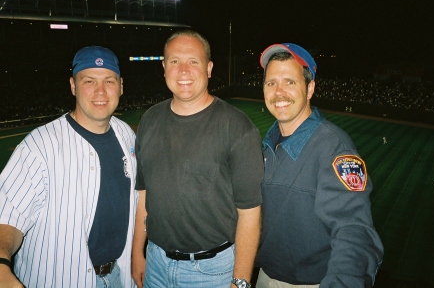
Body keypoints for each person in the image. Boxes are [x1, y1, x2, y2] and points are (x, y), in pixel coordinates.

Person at [132, 30, 264, 288]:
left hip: (212, 272)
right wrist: (138, 252)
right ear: (164, 67)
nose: (183, 70)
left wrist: (241, 281)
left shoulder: (238, 127)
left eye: (193, 61)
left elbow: (250, 214)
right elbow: (144, 196)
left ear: (209, 68)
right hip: (156, 263)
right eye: (174, 61)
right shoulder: (149, 120)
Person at [0, 46, 138, 288]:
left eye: (109, 80)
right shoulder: (39, 146)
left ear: (121, 86)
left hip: (118, 275)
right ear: (73, 86)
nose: (100, 91)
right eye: (89, 81)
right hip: (57, 280)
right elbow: (7, 217)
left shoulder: (126, 135)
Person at [254, 43, 384, 288]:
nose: (278, 92)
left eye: (290, 82)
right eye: (271, 83)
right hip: (266, 277)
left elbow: (354, 231)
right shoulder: (268, 144)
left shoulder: (335, 148)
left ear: (310, 87)